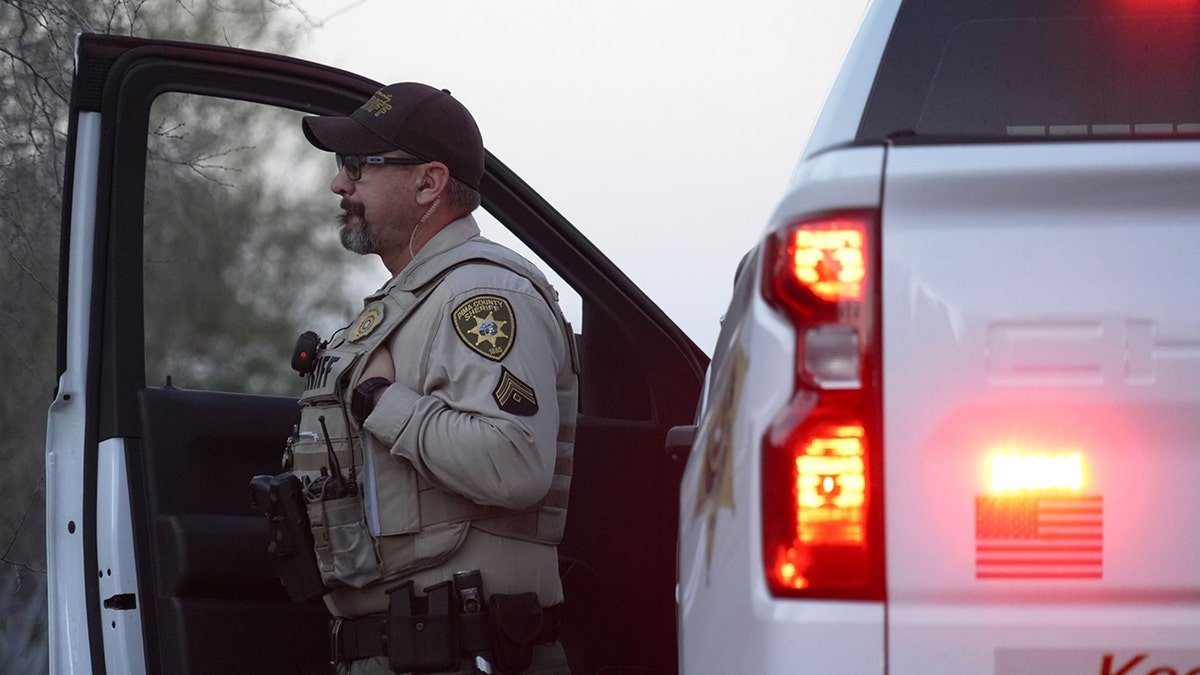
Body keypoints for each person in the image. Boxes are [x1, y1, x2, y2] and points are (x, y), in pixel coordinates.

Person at [288, 82, 578, 674]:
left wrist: (379, 400)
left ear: (429, 183)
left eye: (357, 166)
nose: (339, 184)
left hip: (465, 651)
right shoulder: (410, 302)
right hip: (396, 652)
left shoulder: (485, 296)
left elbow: (517, 463)